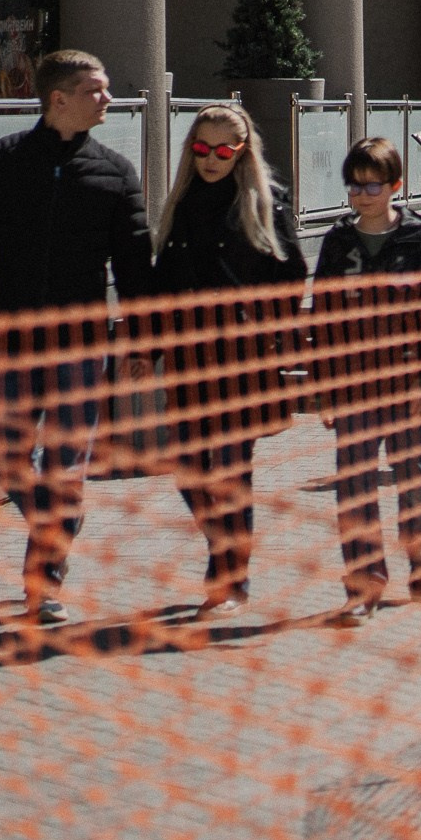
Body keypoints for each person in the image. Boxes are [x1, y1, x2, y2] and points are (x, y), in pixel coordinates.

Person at [0, 50, 155, 627]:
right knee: (7, 457)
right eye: (95, 90)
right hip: (13, 339)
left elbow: (134, 268)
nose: (107, 99)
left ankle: (43, 581)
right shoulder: (0, 162)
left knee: (66, 465)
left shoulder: (116, 172)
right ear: (58, 99)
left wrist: (141, 340)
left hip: (80, 344)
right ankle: (59, 522)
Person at [148, 102, 305, 618]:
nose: (210, 159)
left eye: (222, 150)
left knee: (233, 470)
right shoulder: (183, 200)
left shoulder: (264, 200)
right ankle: (224, 553)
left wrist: (266, 330)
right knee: (190, 467)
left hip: (243, 356)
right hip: (188, 355)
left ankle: (230, 580)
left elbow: (291, 275)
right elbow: (163, 283)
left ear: (241, 152)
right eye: (200, 148)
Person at [311, 136, 421, 625]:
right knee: (355, 488)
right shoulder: (338, 242)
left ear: (395, 186)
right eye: (355, 185)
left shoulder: (417, 239)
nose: (363, 194)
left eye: (373, 184)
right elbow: (322, 319)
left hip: (406, 384)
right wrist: (324, 388)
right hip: (353, 388)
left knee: (413, 479)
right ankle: (363, 584)